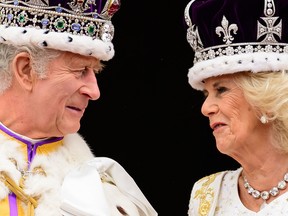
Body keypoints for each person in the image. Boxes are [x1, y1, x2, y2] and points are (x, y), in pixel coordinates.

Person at [0, 0, 158, 215]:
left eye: (95, 72)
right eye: (81, 70)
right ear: (26, 69)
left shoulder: (105, 196)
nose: (94, 92)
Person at [184, 0, 288, 215]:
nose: (206, 108)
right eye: (206, 93)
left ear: (268, 95)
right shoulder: (206, 195)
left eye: (221, 90)